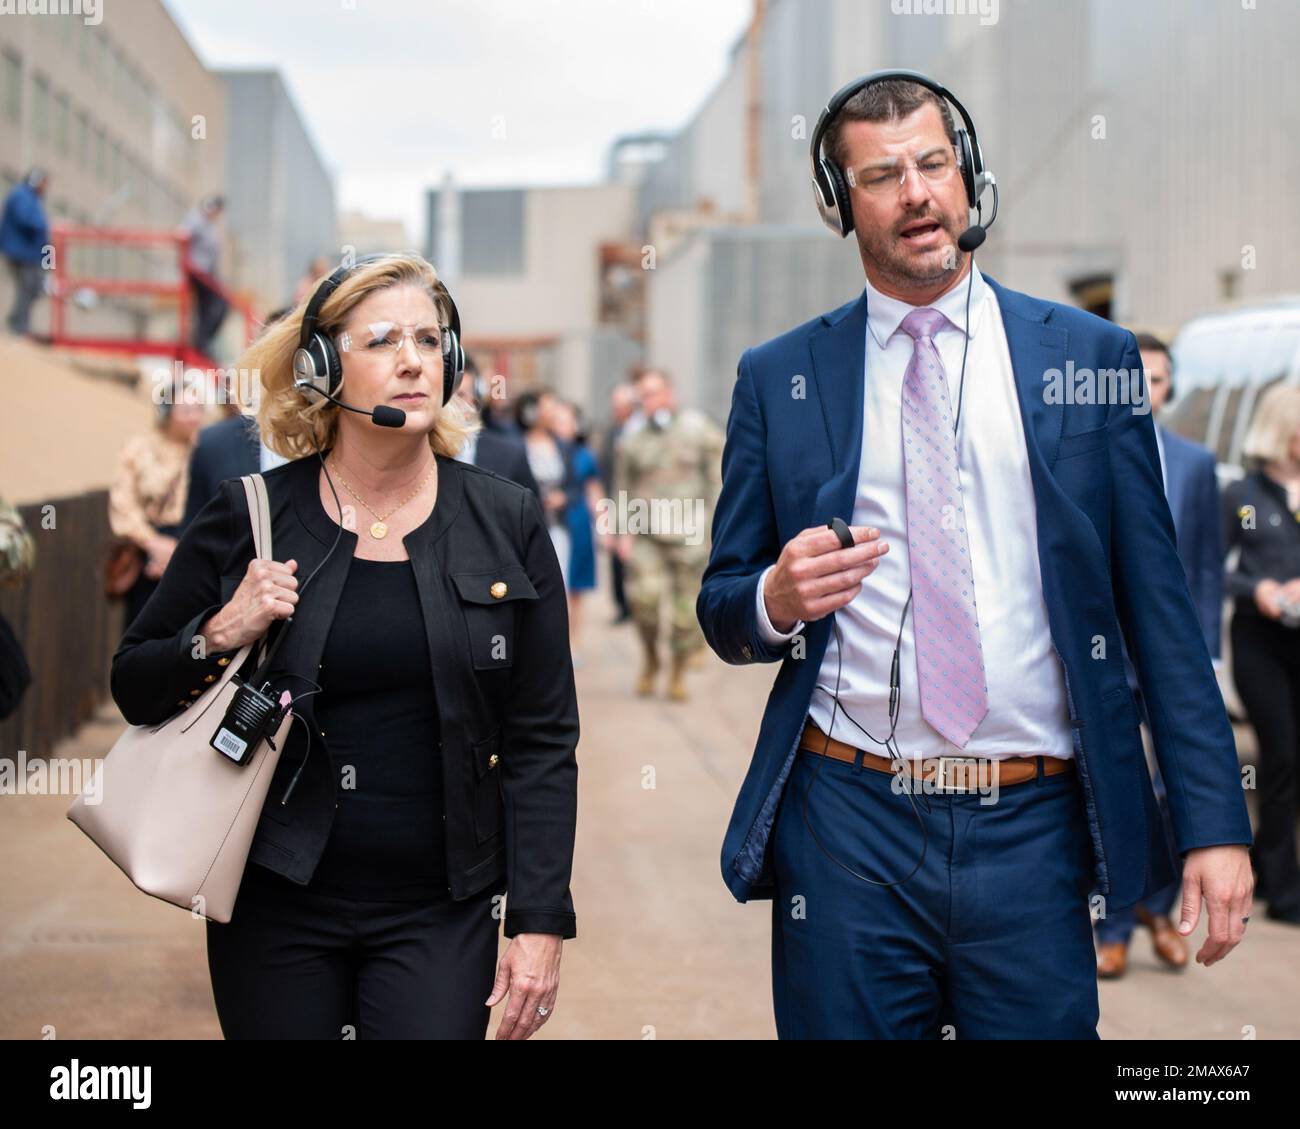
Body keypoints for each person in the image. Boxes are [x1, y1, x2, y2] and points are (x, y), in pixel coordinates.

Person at [697, 72, 1254, 1039]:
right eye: (881, 175)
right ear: (842, 207)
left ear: (969, 179)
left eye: (933, 164)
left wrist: (1212, 821)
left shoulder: (1087, 356)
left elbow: (1159, 608)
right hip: (848, 821)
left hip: (1031, 825)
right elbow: (723, 603)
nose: (915, 192)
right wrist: (777, 598)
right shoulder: (780, 376)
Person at [110, 252, 579, 1039]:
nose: (412, 361)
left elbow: (542, 738)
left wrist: (539, 919)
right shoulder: (250, 513)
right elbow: (135, 681)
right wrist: (223, 630)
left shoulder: (508, 519)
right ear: (323, 367)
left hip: (444, 907)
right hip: (275, 902)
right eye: (383, 341)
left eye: (430, 341)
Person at [1094, 332, 1222, 976]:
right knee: (1123, 788)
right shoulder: (1089, 457)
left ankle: (1161, 909)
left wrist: (1213, 658)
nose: (1150, 390)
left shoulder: (1196, 465)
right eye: (1138, 377)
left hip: (1175, 660)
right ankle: (1114, 927)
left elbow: (1204, 566)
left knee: (1179, 791)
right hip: (1108, 654)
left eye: (1162, 379)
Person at [1222, 382, 1300, 925]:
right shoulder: (1242, 497)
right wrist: (1260, 590)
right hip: (1260, 644)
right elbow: (1210, 569)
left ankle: (1271, 867)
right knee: (1282, 756)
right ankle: (1281, 884)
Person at [616, 368, 722, 702]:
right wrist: (621, 532)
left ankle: (677, 672)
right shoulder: (631, 441)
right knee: (643, 601)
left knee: (685, 614)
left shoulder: (698, 430)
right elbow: (621, 486)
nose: (650, 400)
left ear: (669, 393)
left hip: (690, 536)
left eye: (655, 392)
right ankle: (651, 658)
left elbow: (720, 473)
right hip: (648, 535)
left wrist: (716, 523)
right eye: (643, 395)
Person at [108, 377, 205, 630]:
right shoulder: (139, 449)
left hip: (193, 547)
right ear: (166, 412)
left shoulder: (206, 450)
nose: (193, 417)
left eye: (198, 409)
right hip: (148, 548)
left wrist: (181, 552)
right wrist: (153, 544)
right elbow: (122, 503)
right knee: (143, 628)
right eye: (185, 410)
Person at [551, 399, 602, 657]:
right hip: (552, 521)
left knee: (575, 587)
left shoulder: (585, 455)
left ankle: (573, 642)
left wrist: (606, 527)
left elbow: (594, 490)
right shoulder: (544, 450)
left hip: (578, 520)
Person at [452, 355, 540, 497]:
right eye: (447, 395)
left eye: (460, 395)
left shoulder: (511, 455)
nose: (452, 404)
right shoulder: (419, 456)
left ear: (476, 399)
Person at [516, 388, 575, 587]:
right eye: (548, 407)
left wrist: (564, 497)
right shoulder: (515, 445)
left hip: (557, 527)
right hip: (524, 528)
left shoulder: (563, 446)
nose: (553, 412)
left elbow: (575, 486)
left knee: (558, 586)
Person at [600, 380, 639, 624]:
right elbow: (605, 467)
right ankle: (622, 604)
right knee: (615, 556)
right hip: (616, 499)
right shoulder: (612, 432)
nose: (616, 410)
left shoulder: (640, 430)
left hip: (639, 502)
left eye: (620, 405)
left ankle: (637, 602)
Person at [1, 168, 50, 337]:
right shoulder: (21, 196)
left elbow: (44, 238)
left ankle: (18, 324)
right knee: (27, 288)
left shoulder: (33, 200)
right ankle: (17, 326)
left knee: (34, 288)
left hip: (31, 255)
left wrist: (48, 263)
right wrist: (43, 225)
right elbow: (28, 221)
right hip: (20, 253)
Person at [180, 194, 229, 359]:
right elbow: (182, 234)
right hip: (197, 273)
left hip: (205, 275)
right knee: (220, 305)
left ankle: (202, 343)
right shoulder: (196, 219)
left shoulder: (208, 226)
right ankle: (201, 342)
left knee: (207, 309)